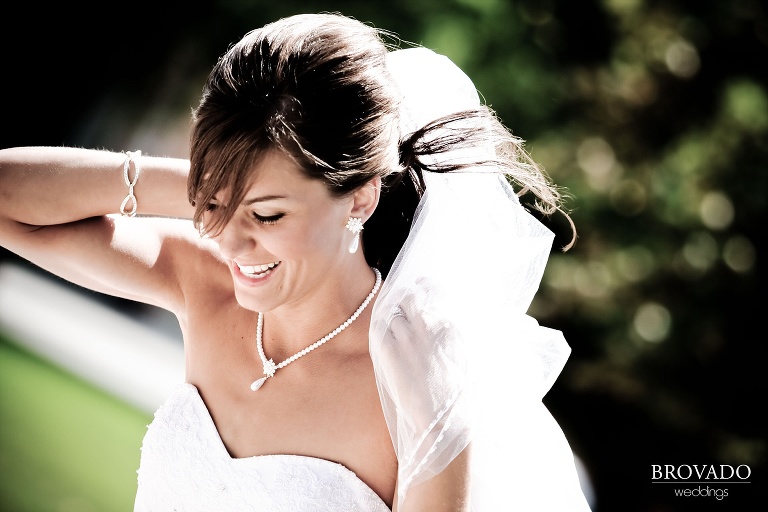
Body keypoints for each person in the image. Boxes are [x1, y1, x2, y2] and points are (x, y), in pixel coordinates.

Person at [0, 12, 592, 512]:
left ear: (360, 198)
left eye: (269, 217)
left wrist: (232, 195)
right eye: (214, 204)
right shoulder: (202, 281)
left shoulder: (418, 389)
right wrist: (219, 191)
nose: (231, 244)